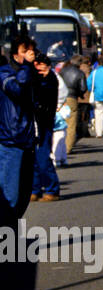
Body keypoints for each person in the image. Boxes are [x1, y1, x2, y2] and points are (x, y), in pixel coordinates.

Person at [0, 36, 38, 224]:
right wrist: (27, 67)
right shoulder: (4, 73)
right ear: (15, 54)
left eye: (32, 51)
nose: (30, 55)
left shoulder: (30, 72)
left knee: (24, 196)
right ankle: (6, 242)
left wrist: (46, 76)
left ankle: (10, 235)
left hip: (28, 141)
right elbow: (16, 90)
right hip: (10, 141)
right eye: (25, 51)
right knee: (9, 198)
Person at [30, 52, 61, 202]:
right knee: (32, 159)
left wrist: (44, 76)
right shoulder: (33, 78)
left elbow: (46, 91)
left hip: (44, 123)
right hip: (33, 122)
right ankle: (35, 189)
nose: (39, 71)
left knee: (42, 158)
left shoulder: (51, 79)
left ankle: (52, 189)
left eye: (42, 68)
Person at [59, 53, 88, 155]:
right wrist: (80, 94)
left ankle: (58, 147)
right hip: (72, 97)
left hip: (60, 98)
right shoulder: (80, 73)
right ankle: (67, 148)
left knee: (60, 123)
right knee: (71, 124)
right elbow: (83, 88)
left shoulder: (62, 71)